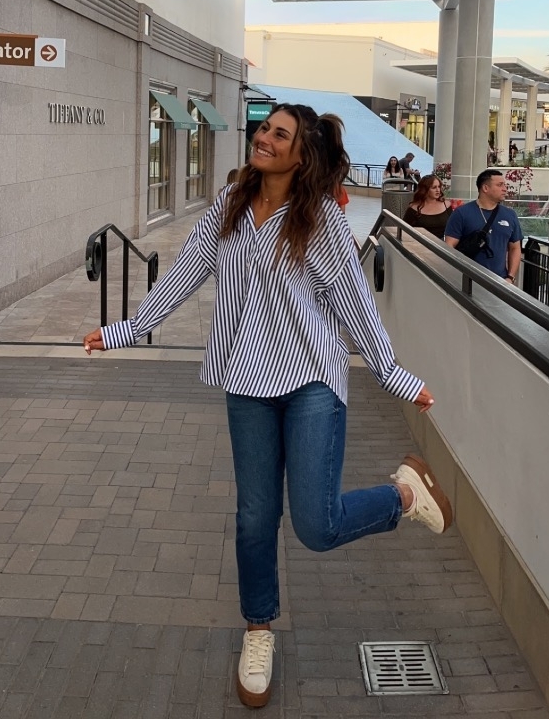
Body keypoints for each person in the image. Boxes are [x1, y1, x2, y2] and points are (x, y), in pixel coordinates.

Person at [83, 103, 452, 709]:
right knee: (255, 518)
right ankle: (258, 630)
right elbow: (182, 276)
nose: (265, 138)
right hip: (246, 381)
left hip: (311, 379)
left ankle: (404, 496)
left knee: (316, 525)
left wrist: (392, 373)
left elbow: (355, 303)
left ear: (301, 155)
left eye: (280, 134)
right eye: (264, 129)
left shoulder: (321, 222)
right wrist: (127, 329)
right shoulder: (228, 208)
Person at [444, 169, 522, 283]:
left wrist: (510, 277)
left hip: (500, 281)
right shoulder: (461, 213)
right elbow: (449, 246)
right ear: (485, 188)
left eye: (505, 185)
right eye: (500, 185)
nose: (505, 189)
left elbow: (515, 247)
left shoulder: (510, 215)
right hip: (467, 280)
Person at [403, 175, 452, 240]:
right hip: (421, 243)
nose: (438, 190)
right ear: (425, 190)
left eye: (439, 186)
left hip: (442, 243)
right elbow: (404, 230)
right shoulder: (413, 208)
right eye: (434, 187)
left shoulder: (446, 205)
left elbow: (454, 227)